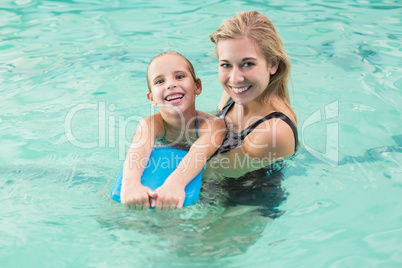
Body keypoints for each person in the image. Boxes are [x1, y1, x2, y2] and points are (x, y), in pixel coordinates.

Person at [203, 11, 298, 216]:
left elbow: (211, 168)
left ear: (272, 64)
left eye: (248, 64)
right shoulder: (233, 97)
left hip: (248, 208)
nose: (235, 79)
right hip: (216, 192)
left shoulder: (273, 131)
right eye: (226, 65)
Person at [120, 51, 226, 210]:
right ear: (151, 98)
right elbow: (138, 150)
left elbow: (198, 153)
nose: (170, 84)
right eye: (160, 81)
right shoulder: (150, 124)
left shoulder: (213, 126)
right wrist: (130, 184)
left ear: (197, 86)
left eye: (179, 76)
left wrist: (175, 184)